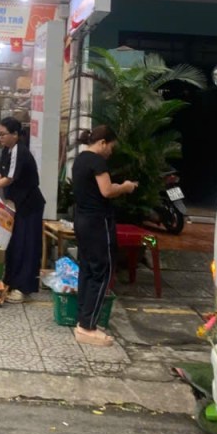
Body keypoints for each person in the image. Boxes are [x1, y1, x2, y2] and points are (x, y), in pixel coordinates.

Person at [70, 125, 138, 347]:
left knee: (87, 269)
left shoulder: (80, 160)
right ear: (102, 143)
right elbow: (106, 191)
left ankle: (83, 319)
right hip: (98, 222)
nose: (111, 152)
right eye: (111, 147)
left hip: (82, 220)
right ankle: (88, 326)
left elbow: (96, 189)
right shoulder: (97, 162)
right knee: (102, 271)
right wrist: (125, 187)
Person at [0, 116, 45, 303]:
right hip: (16, 206)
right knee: (14, 244)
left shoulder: (20, 151)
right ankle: (11, 283)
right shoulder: (8, 149)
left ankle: (23, 288)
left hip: (29, 206)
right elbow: (1, 173)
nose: (0, 137)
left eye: (3, 134)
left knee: (26, 246)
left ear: (15, 134)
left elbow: (9, 178)